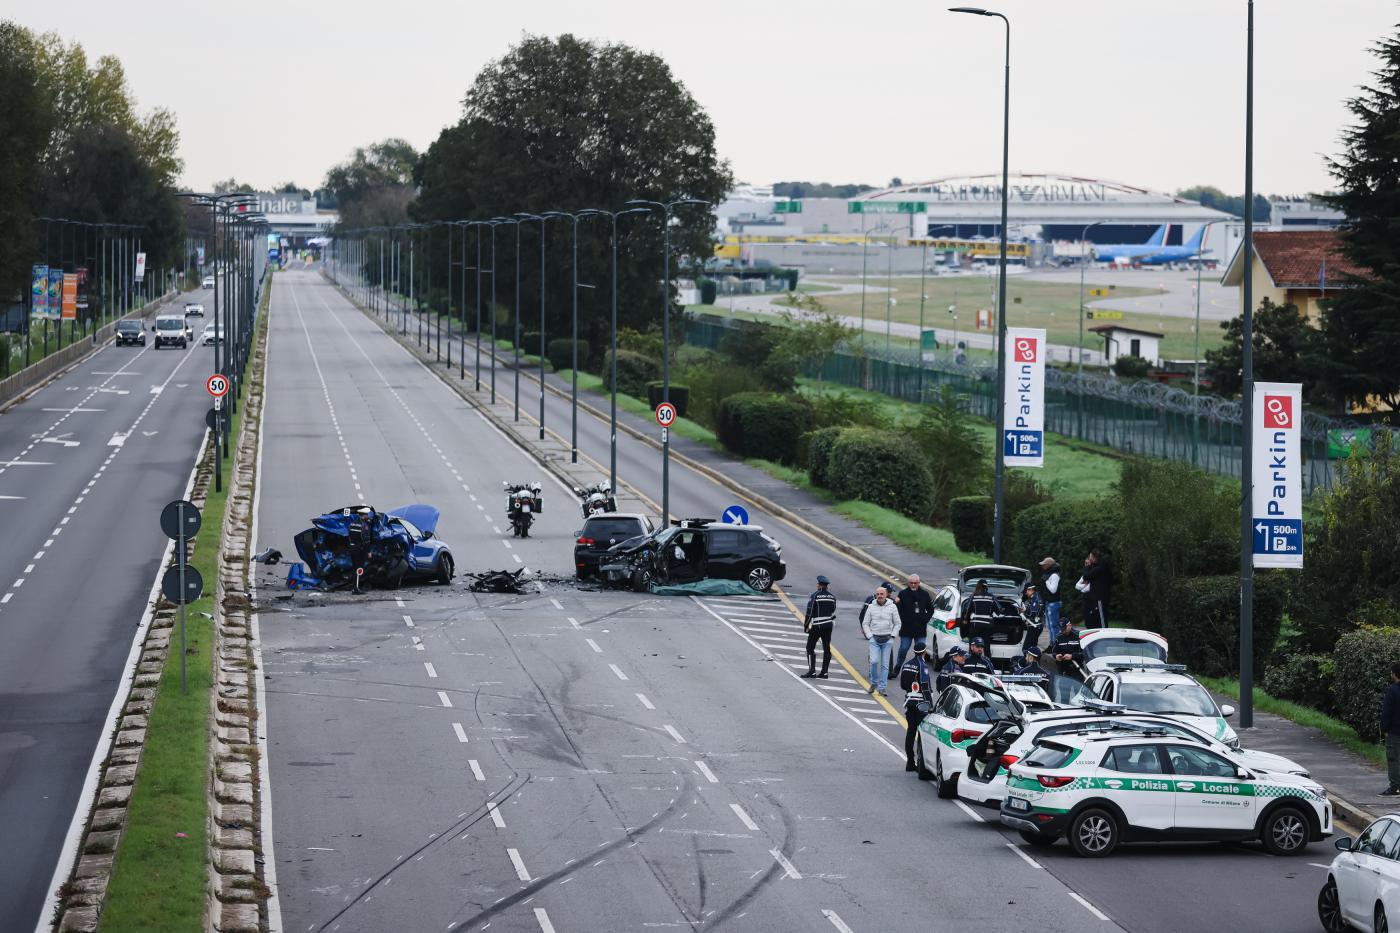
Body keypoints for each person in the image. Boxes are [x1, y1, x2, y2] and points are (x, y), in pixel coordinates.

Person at [900, 640, 936, 772]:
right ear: (924, 652)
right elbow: (925, 687)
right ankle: (921, 763)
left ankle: (910, 762)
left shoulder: (906, 665)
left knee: (911, 731)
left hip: (909, 702)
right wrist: (930, 705)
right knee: (922, 734)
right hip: (921, 704)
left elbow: (903, 685)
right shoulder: (923, 666)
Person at [860, 586, 900, 696]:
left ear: (886, 594)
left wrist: (893, 636)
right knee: (873, 662)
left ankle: (882, 687)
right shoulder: (871, 607)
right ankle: (873, 683)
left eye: (882, 594)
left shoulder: (892, 607)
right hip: (874, 639)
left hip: (887, 639)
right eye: (878, 594)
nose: (880, 596)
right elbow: (865, 623)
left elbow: (897, 623)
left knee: (885, 665)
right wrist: (870, 636)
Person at [893, 575, 934, 678]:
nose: (913, 585)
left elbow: (930, 609)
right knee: (903, 649)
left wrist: (925, 619)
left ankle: (920, 670)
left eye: (915, 583)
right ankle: (898, 667)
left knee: (921, 651)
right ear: (908, 583)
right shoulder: (903, 594)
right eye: (911, 583)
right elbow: (897, 609)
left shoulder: (924, 594)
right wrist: (903, 620)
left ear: (919, 583)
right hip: (906, 628)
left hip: (920, 628)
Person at [801, 575, 837, 679]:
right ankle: (824, 672)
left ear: (819, 585)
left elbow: (809, 612)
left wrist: (806, 625)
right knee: (827, 648)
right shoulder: (832, 596)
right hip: (829, 624)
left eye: (817, 584)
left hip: (817, 625)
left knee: (810, 647)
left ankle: (812, 671)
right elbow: (833, 609)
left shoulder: (815, 595)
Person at [1077, 550, 1111, 628]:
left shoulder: (1101, 567)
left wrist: (1087, 567)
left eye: (1091, 557)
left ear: (1095, 557)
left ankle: (1104, 634)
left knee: (1101, 618)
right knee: (1095, 618)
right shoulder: (1097, 566)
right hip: (1095, 597)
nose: (1090, 559)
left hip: (1100, 597)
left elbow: (1086, 576)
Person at [1381, 663, 1400, 797]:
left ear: (1394, 674)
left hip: (1395, 730)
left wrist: (1384, 728)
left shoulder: (1393, 690)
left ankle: (1395, 787)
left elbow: (1387, 712)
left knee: (1393, 758)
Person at [1051, 616, 1086, 681]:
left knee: (1078, 690)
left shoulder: (1078, 636)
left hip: (1077, 669)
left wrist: (1072, 656)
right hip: (1063, 670)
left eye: (1064, 629)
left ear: (1070, 625)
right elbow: (1054, 651)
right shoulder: (1058, 637)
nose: (1063, 631)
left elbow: (1084, 654)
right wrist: (1056, 656)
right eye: (1061, 629)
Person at [1038, 557, 1063, 645]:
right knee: (1049, 626)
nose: (1042, 566)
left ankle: (1056, 644)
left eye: (1044, 565)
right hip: (1048, 603)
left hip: (1054, 603)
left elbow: (1053, 590)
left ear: (1048, 565)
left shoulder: (1054, 575)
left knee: (1054, 625)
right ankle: (1052, 643)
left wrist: (1047, 582)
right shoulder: (1048, 574)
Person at [1021, 583, 1045, 653]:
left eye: (1026, 591)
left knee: (1026, 649)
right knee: (1033, 648)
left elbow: (1033, 614)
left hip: (1034, 626)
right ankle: (1034, 663)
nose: (1025, 593)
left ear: (1031, 589)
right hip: (1037, 626)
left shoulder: (1035, 599)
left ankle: (1028, 663)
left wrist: (1024, 612)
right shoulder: (1035, 597)